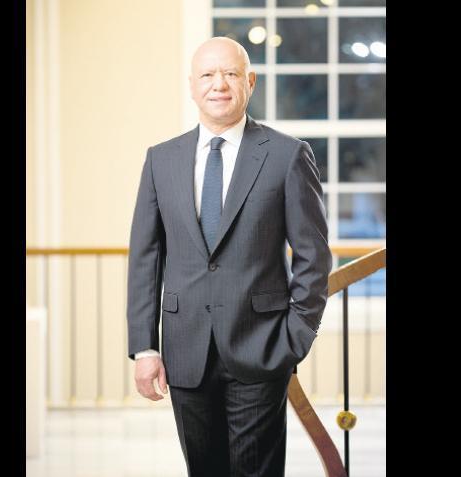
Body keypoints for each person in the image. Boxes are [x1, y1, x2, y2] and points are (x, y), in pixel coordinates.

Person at [126, 36, 331, 477]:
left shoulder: (287, 155)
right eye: (207, 74)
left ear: (249, 82)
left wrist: (295, 337)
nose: (218, 84)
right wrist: (145, 347)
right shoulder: (161, 160)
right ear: (192, 85)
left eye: (231, 73)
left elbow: (313, 256)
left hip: (263, 347)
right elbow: (146, 258)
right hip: (185, 351)